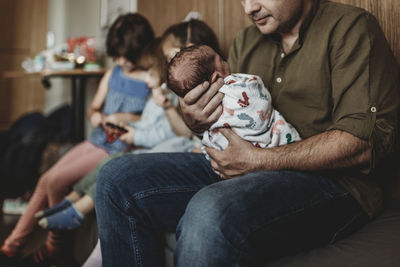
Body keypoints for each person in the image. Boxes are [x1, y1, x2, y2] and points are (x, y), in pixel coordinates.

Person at [97, 1, 400, 265]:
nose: (248, 7)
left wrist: (259, 160)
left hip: (333, 184)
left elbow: (364, 144)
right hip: (244, 166)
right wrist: (195, 120)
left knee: (209, 212)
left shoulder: (350, 28)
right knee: (116, 178)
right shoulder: (246, 40)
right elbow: (227, 118)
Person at [0, 13, 155, 266]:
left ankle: (55, 248)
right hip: (98, 139)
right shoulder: (113, 74)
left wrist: (126, 117)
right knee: (45, 179)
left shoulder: (151, 80)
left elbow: (154, 121)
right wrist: (97, 118)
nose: (120, 61)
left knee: (56, 181)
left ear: (140, 50)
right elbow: (93, 109)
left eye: (125, 56)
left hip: (119, 145)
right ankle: (11, 246)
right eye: (117, 56)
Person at [35, 38, 194, 231]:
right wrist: (126, 127)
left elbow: (165, 133)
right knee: (103, 165)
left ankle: (76, 211)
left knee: (112, 168)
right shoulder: (155, 96)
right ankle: (70, 201)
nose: (144, 78)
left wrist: (134, 135)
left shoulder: (166, 100)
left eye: (149, 73)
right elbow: (145, 123)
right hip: (132, 144)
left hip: (144, 149)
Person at [167, 44, 301, 152]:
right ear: (216, 77)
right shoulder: (243, 42)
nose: (226, 62)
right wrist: (195, 125)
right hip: (232, 157)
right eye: (222, 60)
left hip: (277, 156)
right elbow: (258, 93)